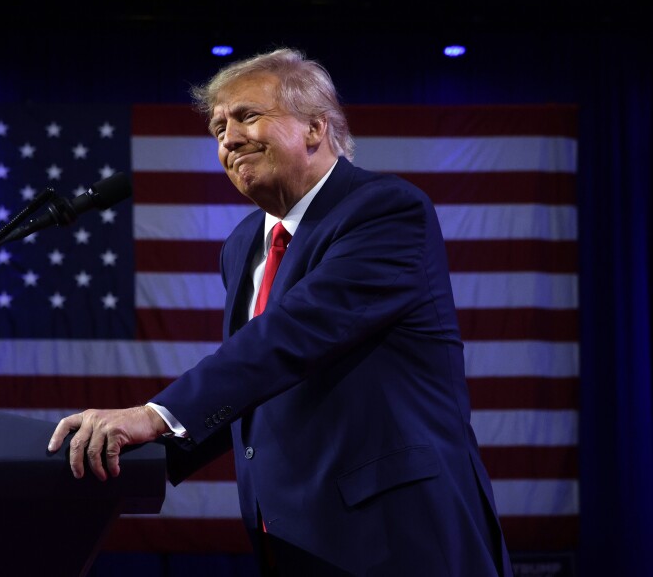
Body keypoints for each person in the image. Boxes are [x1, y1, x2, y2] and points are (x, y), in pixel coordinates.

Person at [48, 48, 513, 576]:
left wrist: (153, 416)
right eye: (218, 128)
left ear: (315, 127)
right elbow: (252, 386)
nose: (228, 138)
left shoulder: (384, 210)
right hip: (288, 537)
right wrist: (128, 457)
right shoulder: (243, 243)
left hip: (398, 530)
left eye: (247, 116)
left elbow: (293, 336)